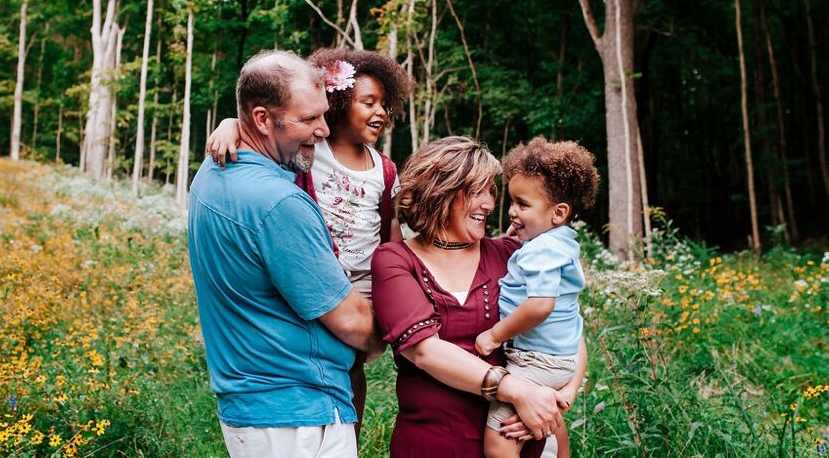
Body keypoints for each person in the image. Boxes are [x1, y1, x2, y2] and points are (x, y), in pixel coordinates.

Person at [206, 48, 414, 435]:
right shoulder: (311, 149)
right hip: (318, 268)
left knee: (351, 365)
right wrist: (230, 123)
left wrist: (398, 281)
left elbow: (391, 228)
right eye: (368, 102)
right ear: (337, 104)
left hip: (367, 280)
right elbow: (264, 126)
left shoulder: (384, 168)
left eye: (385, 104)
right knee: (329, 344)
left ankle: (347, 429)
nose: (380, 112)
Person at [371, 136, 566, 458]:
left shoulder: (510, 255)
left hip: (515, 437)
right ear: (439, 191)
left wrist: (556, 400)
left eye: (491, 190)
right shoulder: (394, 260)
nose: (489, 204)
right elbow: (424, 351)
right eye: (477, 191)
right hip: (432, 443)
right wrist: (517, 391)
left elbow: (566, 324)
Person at [474, 137, 598, 458]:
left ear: (558, 212)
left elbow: (541, 305)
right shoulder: (561, 243)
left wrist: (494, 335)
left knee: (499, 438)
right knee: (548, 419)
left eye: (523, 205)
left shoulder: (541, 251)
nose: (513, 211)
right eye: (512, 201)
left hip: (535, 360)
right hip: (561, 359)